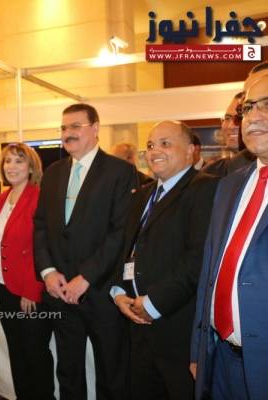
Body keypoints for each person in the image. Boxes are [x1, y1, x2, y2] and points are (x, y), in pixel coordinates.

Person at [34, 103, 137, 400]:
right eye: (64, 128)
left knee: (111, 375)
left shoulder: (120, 172)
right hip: (61, 293)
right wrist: (48, 272)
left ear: (95, 129)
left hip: (102, 293)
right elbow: (40, 226)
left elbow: (120, 233)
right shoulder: (53, 173)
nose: (68, 133)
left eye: (75, 126)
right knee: (68, 374)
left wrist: (87, 277)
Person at [111, 121, 217, 400]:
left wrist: (153, 303)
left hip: (177, 330)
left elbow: (198, 259)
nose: (154, 151)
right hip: (137, 327)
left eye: (165, 143)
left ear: (191, 151)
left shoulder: (205, 189)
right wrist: (119, 292)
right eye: (150, 145)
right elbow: (127, 249)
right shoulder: (142, 195)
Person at [191, 75, 268, 400]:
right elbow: (210, 271)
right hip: (220, 358)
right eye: (247, 108)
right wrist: (198, 349)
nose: (253, 116)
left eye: (267, 104)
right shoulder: (229, 185)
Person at [0, 143, 54, 399]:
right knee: (17, 353)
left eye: (19, 161)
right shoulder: (3, 198)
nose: (11, 166)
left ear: (31, 167)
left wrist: (32, 290)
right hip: (4, 288)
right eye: (8, 161)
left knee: (35, 355)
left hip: (30, 292)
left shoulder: (39, 197)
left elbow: (41, 247)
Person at [204, 93, 256, 177]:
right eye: (227, 118)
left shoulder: (261, 167)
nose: (231, 126)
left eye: (240, 118)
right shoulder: (211, 172)